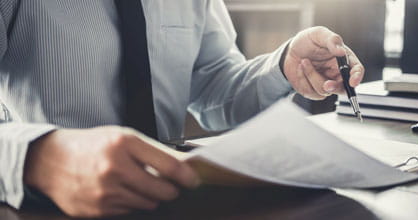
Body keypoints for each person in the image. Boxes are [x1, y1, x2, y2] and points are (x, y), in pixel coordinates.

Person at [0, 0, 364, 218]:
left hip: (171, 200)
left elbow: (215, 90)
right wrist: (36, 157)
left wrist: (283, 64)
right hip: (42, 207)